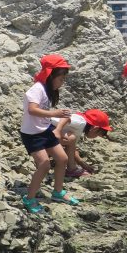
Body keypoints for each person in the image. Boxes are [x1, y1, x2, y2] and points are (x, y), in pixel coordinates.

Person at [19, 55, 78, 214]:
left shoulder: (47, 89)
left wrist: (57, 115)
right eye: (61, 78)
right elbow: (32, 110)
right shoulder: (37, 88)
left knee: (62, 158)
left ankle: (58, 192)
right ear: (51, 75)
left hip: (44, 130)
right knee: (44, 165)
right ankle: (29, 198)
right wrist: (54, 113)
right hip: (32, 134)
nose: (62, 82)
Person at [51, 108, 112, 179]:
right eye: (98, 134)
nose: (96, 137)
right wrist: (58, 130)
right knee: (71, 138)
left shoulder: (79, 126)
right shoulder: (81, 122)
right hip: (46, 128)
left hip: (47, 129)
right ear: (95, 128)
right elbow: (66, 117)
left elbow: (72, 149)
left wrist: (81, 163)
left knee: (71, 139)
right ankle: (71, 169)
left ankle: (71, 168)